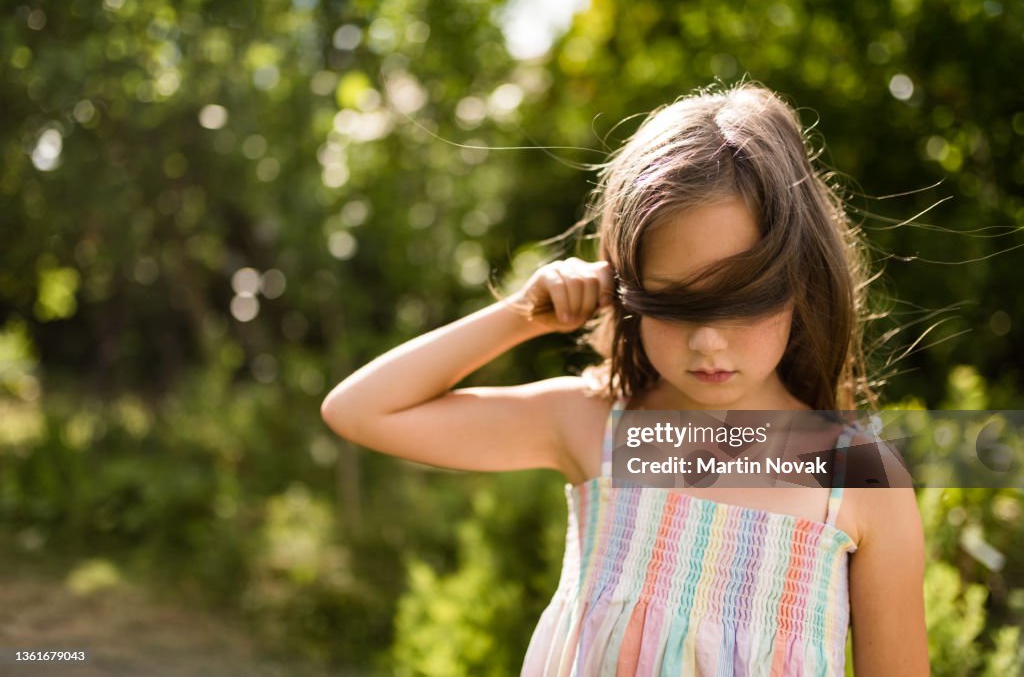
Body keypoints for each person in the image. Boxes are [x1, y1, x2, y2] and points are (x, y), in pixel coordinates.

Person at [320, 81, 930, 676]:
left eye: (742, 301)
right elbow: (360, 411)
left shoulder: (861, 479)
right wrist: (521, 316)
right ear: (628, 291)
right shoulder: (596, 426)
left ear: (800, 283)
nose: (707, 340)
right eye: (674, 304)